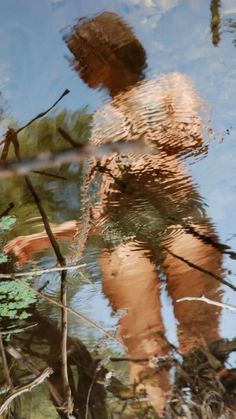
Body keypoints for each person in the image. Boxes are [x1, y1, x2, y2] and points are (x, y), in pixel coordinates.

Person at [5, 11, 223, 414]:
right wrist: (46, 235)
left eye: (81, 54)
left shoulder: (171, 85)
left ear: (108, 48)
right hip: (124, 236)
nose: (75, 65)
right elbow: (97, 208)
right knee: (141, 347)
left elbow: (194, 136)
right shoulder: (101, 119)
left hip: (181, 219)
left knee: (200, 342)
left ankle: (214, 408)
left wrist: (135, 148)